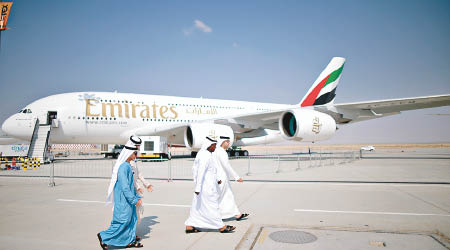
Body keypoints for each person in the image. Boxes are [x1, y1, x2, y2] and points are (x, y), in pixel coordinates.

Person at [97, 139, 143, 249]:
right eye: (135, 153)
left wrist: (136, 196)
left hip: (128, 200)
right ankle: (103, 236)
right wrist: (134, 200)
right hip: (123, 201)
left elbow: (131, 186)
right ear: (129, 154)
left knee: (131, 220)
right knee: (122, 222)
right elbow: (125, 187)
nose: (136, 155)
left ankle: (129, 241)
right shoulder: (123, 167)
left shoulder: (128, 166)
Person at [185, 137, 235, 234]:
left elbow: (212, 170)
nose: (215, 147)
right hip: (205, 187)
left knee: (197, 207)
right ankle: (221, 226)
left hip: (206, 186)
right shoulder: (205, 156)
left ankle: (190, 226)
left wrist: (217, 179)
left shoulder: (206, 154)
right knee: (212, 206)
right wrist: (198, 187)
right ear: (209, 145)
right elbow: (200, 172)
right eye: (214, 146)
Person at [214, 136, 249, 221]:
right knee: (220, 197)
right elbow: (227, 166)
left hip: (220, 177)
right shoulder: (221, 152)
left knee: (228, 196)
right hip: (221, 178)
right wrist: (237, 177)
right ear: (223, 142)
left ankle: (237, 214)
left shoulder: (217, 151)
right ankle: (214, 216)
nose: (229, 143)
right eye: (227, 142)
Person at [129, 136, 153, 225]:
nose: (138, 148)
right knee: (131, 212)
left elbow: (138, 173)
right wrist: (138, 187)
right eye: (137, 146)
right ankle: (130, 234)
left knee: (137, 212)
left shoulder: (134, 158)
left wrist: (147, 184)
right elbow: (130, 177)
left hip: (135, 189)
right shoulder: (127, 159)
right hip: (129, 190)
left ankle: (133, 233)